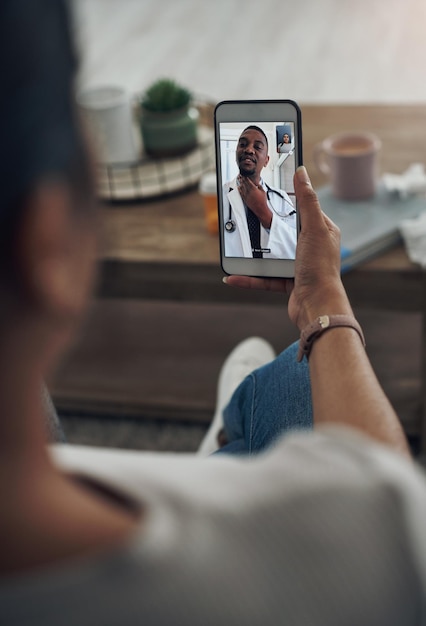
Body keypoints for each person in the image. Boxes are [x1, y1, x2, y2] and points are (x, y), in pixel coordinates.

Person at [1, 1, 426, 624]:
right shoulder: (369, 553)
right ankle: (227, 435)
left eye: (258, 145)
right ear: (48, 241)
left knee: (271, 377)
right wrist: (321, 298)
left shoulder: (269, 197)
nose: (251, 152)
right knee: (291, 374)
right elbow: (381, 487)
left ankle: (226, 433)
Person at [223, 126, 297, 259]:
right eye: (243, 144)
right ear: (236, 153)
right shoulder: (220, 195)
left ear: (266, 161)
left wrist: (264, 213)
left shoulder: (281, 199)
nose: (249, 150)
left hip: (273, 275)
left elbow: (298, 244)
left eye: (257, 147)